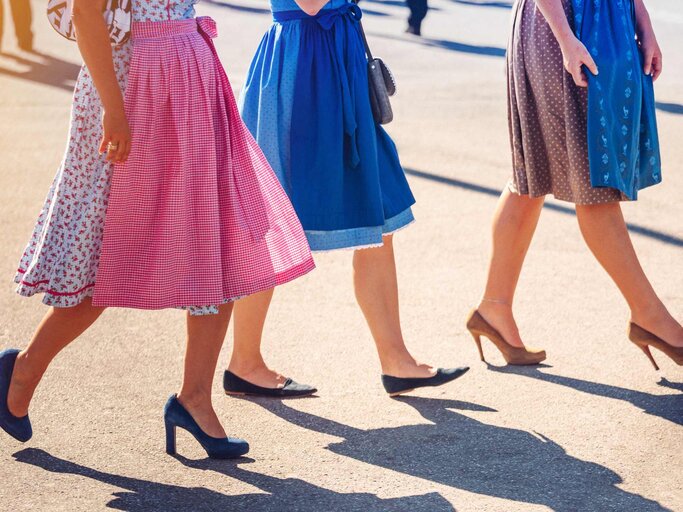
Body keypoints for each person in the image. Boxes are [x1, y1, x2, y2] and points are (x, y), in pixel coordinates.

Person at [0, 0, 314, 458]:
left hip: (190, 77)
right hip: (128, 86)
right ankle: (23, 371)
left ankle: (195, 399)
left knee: (217, 245)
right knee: (101, 258)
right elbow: (87, 13)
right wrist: (113, 108)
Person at [225, 0, 469, 400]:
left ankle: (397, 361)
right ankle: (244, 362)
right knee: (269, 221)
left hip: (332, 59)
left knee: (378, 218)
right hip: (303, 69)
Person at [466, 0, 683, 368]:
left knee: (533, 178)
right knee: (593, 183)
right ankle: (651, 318)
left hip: (603, 25)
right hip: (562, 26)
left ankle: (494, 308)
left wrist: (642, 20)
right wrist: (566, 38)